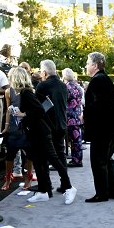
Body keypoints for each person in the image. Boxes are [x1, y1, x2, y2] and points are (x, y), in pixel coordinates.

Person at [11, 66, 77, 205]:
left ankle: (69, 187)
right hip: (37, 132)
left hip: (41, 132)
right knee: (39, 161)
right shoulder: (26, 92)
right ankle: (43, 191)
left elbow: (39, 110)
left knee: (53, 159)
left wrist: (24, 114)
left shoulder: (26, 93)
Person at [82, 52, 114, 202]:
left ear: (95, 65)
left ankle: (102, 193)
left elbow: (98, 107)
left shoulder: (97, 81)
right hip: (110, 128)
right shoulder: (105, 79)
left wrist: (86, 113)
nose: (86, 66)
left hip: (102, 130)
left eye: (87, 63)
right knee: (106, 160)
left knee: (98, 161)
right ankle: (112, 191)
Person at [36, 59, 73, 195]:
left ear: (44, 72)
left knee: (45, 156)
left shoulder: (42, 86)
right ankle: (65, 184)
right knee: (60, 154)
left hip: (48, 126)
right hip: (62, 124)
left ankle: (47, 186)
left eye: (41, 71)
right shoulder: (63, 86)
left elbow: (38, 108)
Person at [1, 67, 34, 190]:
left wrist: (24, 115)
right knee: (10, 154)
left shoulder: (29, 91)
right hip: (14, 126)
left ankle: (29, 177)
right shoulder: (8, 91)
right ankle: (8, 178)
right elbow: (8, 110)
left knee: (30, 153)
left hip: (26, 126)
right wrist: (6, 126)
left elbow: (34, 109)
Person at [62, 68, 84, 167]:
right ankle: (77, 158)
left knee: (72, 139)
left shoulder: (66, 87)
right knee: (77, 139)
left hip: (69, 115)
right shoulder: (78, 87)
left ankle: (76, 161)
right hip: (78, 114)